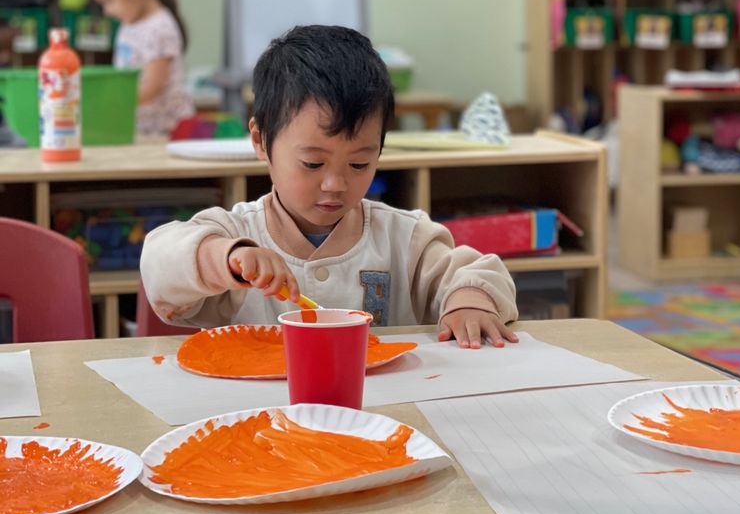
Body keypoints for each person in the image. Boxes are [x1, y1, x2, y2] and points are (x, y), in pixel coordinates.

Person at [141, 25, 518, 349]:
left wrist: (469, 301)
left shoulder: (404, 238)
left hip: (381, 414)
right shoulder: (235, 233)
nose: (335, 184)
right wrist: (224, 258)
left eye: (359, 164)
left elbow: (478, 271)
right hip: (263, 417)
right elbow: (161, 264)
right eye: (312, 163)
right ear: (260, 140)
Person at [89, 0, 194, 136]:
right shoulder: (129, 24)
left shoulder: (160, 28)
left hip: (165, 133)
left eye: (109, 0)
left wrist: (110, 103)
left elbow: (153, 87)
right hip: (141, 130)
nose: (106, 11)